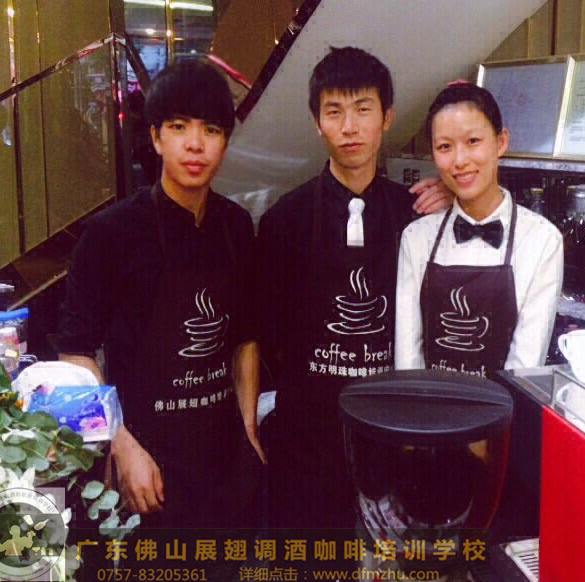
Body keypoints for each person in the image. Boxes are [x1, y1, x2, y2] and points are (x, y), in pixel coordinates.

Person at [57, 60, 264, 533]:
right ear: (155, 138)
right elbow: (75, 352)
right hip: (145, 463)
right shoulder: (110, 234)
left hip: (223, 465)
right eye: (179, 127)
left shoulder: (236, 226)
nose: (195, 144)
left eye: (211, 130)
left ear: (225, 143)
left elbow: (245, 338)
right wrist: (119, 444)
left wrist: (249, 432)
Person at [256, 46, 450, 529]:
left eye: (363, 109)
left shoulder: (416, 216)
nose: (349, 127)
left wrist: (457, 196)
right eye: (334, 111)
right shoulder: (284, 219)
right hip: (306, 441)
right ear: (316, 122)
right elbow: (270, 336)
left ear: (386, 118)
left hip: (393, 433)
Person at [395, 82, 563, 377]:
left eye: (473, 141)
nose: (460, 161)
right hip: (427, 402)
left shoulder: (542, 240)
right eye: (445, 147)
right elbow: (408, 360)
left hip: (504, 404)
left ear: (501, 142)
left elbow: (526, 364)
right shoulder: (416, 238)